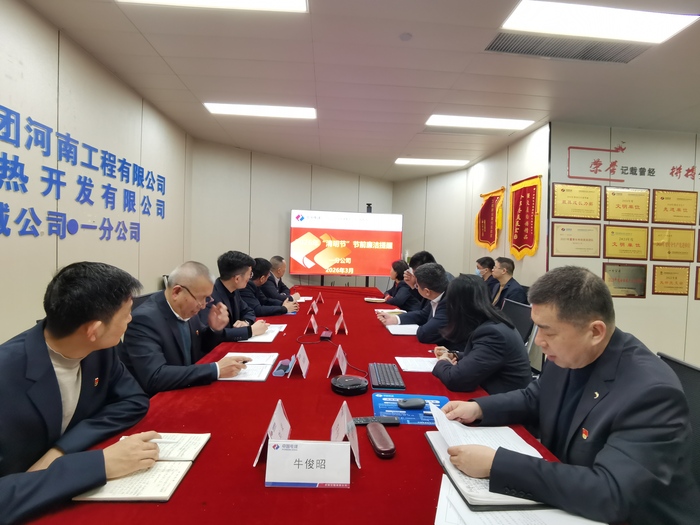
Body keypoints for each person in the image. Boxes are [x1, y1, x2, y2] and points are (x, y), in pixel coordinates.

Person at [442, 266, 700, 525]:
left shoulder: (651, 392)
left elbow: (612, 493)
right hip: (571, 500)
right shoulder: (570, 354)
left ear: (595, 332)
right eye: (537, 328)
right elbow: (535, 397)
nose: (539, 341)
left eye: (549, 331)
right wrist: (479, 409)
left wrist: (496, 465)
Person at [0, 262, 158, 524]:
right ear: (94, 330)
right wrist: (99, 465)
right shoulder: (7, 373)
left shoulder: (100, 349)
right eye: (126, 314)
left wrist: (61, 450)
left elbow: (133, 400)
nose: (131, 320)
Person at [120, 261, 251, 395]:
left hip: (187, 387)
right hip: (159, 398)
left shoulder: (187, 308)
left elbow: (201, 345)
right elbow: (155, 376)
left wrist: (214, 329)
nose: (203, 305)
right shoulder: (144, 320)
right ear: (177, 292)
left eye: (207, 298)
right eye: (201, 299)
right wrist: (216, 369)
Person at [432, 275, 531, 394]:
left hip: (499, 400)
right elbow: (483, 355)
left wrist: (442, 362)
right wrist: (455, 355)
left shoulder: (493, 334)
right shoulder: (494, 321)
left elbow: (456, 380)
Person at [377, 263, 449, 345]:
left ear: (427, 292)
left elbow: (424, 333)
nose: (415, 288)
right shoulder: (437, 295)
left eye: (417, 286)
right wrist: (395, 319)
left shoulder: (448, 303)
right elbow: (423, 315)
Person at [207, 251, 269, 341]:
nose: (250, 278)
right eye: (250, 274)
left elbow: (249, 311)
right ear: (237, 279)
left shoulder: (234, 290)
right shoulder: (210, 297)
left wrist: (245, 322)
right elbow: (213, 334)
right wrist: (250, 331)